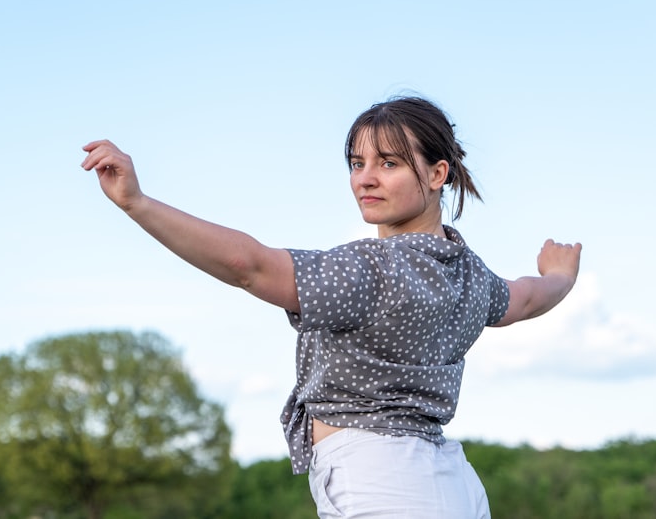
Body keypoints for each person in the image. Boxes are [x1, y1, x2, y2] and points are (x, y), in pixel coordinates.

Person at [81, 95, 582, 518]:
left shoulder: (372, 268)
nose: (365, 179)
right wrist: (559, 276)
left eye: (388, 163)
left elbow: (248, 266)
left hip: (383, 479)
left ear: (437, 174)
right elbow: (528, 298)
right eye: (357, 163)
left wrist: (137, 203)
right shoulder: (470, 275)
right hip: (451, 483)